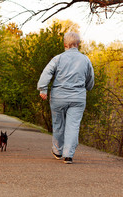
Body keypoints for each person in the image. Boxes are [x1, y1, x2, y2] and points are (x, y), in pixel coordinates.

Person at [37, 32, 94, 164]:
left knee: (58, 124)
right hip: (78, 98)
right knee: (73, 126)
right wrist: (88, 87)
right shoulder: (85, 59)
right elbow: (90, 78)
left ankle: (58, 151)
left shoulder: (58, 58)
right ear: (78, 44)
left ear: (65, 45)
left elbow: (47, 72)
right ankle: (68, 155)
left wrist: (43, 89)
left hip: (59, 97)